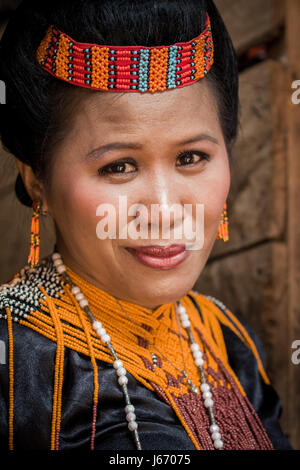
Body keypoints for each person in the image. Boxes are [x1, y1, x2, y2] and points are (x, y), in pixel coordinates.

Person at [0, 0, 293, 450]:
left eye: (190, 158)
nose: (163, 209)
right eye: (119, 167)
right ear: (36, 179)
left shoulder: (228, 343)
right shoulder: (15, 361)